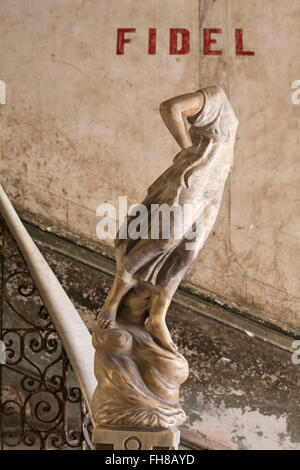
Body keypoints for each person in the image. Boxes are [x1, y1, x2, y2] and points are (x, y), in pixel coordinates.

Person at [97, 85, 238, 352]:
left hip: (213, 189)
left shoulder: (233, 114)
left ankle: (158, 317)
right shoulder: (216, 97)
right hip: (192, 181)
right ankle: (113, 301)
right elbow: (169, 108)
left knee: (187, 253)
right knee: (163, 240)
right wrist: (187, 150)